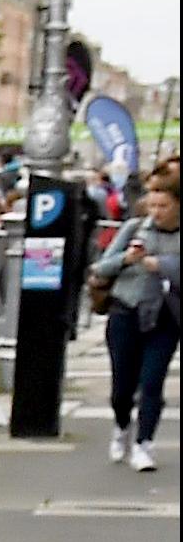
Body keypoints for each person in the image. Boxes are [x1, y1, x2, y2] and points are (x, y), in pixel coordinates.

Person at [87, 179, 176, 473]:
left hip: (165, 318)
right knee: (122, 388)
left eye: (163, 206)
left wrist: (161, 265)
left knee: (152, 383)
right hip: (126, 312)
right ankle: (122, 425)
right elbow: (100, 267)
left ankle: (144, 443)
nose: (156, 212)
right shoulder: (135, 228)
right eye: (152, 205)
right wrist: (127, 259)